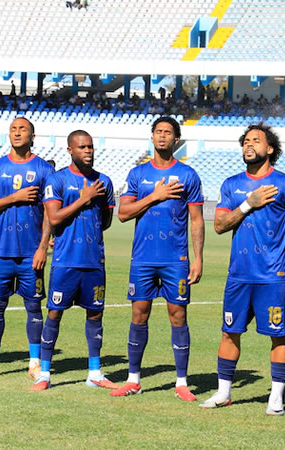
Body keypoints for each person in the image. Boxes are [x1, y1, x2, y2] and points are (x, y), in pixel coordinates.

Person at [199, 123, 285, 415]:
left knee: (278, 335)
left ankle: (276, 397)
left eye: (256, 140)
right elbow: (219, 225)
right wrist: (249, 204)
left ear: (269, 148)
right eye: (246, 140)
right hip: (240, 273)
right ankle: (223, 393)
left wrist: (283, 248)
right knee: (229, 331)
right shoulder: (231, 184)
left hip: (273, 275)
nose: (249, 144)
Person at [111, 117, 204, 402]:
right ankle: (133, 380)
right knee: (139, 314)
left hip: (175, 259)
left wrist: (198, 258)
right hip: (143, 259)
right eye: (158, 132)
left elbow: (197, 220)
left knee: (178, 315)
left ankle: (181, 382)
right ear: (152, 137)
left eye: (168, 132)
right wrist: (155, 195)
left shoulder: (188, 175)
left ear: (176, 140)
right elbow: (123, 214)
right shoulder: (138, 174)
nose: (162, 136)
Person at [31, 130, 115, 391]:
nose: (87, 151)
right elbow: (54, 218)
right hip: (65, 260)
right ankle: (44, 374)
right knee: (55, 313)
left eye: (90, 146)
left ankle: (95, 373)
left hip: (94, 260)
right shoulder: (57, 180)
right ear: (70, 150)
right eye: (82, 147)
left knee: (95, 314)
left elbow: (106, 221)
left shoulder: (104, 182)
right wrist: (84, 198)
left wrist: (92, 202)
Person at [0, 117, 53, 379]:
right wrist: (14, 197)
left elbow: (49, 212)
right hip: (1, 251)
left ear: (33, 136)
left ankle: (34, 363)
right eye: (13, 129)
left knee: (34, 307)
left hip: (32, 252)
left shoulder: (44, 169)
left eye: (23, 129)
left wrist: (43, 247)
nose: (17, 133)